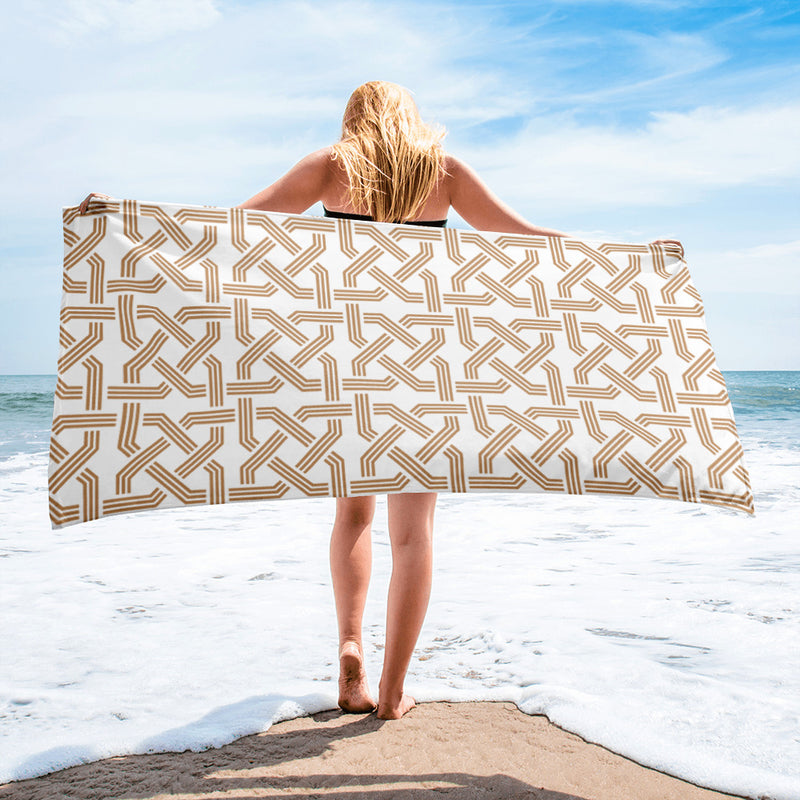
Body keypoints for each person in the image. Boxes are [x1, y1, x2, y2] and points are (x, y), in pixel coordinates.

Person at [78, 80, 682, 721]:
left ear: (353, 119)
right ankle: (392, 694)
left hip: (343, 362)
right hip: (424, 363)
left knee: (353, 517)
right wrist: (638, 257)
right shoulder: (443, 171)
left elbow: (232, 228)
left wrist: (125, 221)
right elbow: (528, 237)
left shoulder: (330, 167)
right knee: (414, 535)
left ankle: (349, 647)